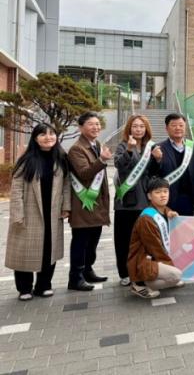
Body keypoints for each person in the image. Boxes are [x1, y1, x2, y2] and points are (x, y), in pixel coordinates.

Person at [5, 124, 70, 300]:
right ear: (35, 138)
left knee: (49, 250)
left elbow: (66, 184)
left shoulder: (61, 158)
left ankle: (44, 285)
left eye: (51, 134)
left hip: (53, 213)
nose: (48, 137)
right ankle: (24, 288)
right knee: (25, 251)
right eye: (43, 134)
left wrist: (66, 206)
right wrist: (17, 214)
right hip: (30, 212)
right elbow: (16, 189)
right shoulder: (27, 160)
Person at [114, 114, 161, 287]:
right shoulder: (122, 145)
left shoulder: (151, 146)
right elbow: (119, 165)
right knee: (124, 239)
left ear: (146, 129)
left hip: (146, 200)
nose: (138, 129)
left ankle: (143, 270)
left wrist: (158, 159)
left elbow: (155, 173)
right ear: (129, 129)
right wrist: (128, 150)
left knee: (145, 239)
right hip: (127, 201)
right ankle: (125, 273)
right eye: (135, 126)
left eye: (142, 126)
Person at [68, 112, 111, 291]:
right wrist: (102, 160)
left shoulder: (96, 144)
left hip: (97, 204)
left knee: (93, 241)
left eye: (97, 124)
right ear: (81, 127)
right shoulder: (77, 149)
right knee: (81, 242)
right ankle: (75, 277)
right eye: (91, 124)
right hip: (84, 203)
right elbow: (84, 173)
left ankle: (87, 270)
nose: (96, 127)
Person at [127, 177, 183, 299]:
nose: (163, 195)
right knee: (177, 275)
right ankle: (140, 284)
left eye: (165, 191)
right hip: (143, 262)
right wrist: (172, 267)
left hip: (153, 259)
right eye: (158, 192)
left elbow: (164, 210)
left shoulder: (162, 210)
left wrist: (169, 212)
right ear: (149, 196)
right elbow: (155, 248)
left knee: (176, 273)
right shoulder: (146, 219)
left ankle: (159, 278)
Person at [151, 113, 194, 216]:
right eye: (174, 125)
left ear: (185, 127)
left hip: (188, 197)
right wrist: (157, 160)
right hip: (167, 197)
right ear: (166, 128)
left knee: (185, 225)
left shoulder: (193, 147)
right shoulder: (158, 148)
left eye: (181, 125)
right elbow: (152, 173)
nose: (178, 128)